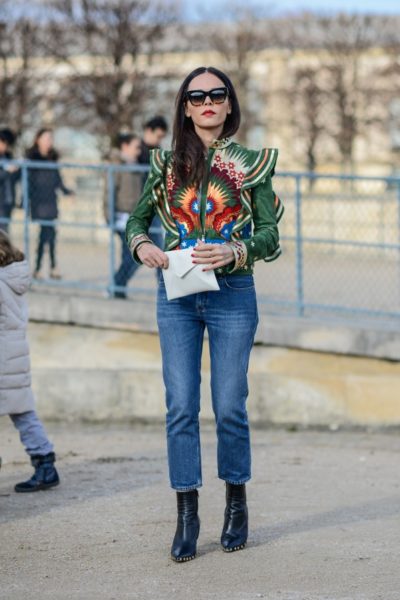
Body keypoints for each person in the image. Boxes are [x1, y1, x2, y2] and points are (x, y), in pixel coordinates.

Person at [126, 66, 284, 562]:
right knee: (180, 405)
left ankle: (236, 503)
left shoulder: (251, 163)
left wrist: (234, 252)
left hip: (233, 293)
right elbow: (136, 220)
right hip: (176, 295)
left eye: (217, 94)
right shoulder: (165, 162)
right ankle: (186, 512)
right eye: (197, 96)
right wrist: (142, 244)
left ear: (230, 105)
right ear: (186, 106)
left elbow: (271, 237)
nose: (208, 102)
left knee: (231, 403)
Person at [0, 230, 60, 492]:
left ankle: (45, 465)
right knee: (23, 412)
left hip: (3, 354)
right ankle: (45, 463)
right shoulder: (13, 277)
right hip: (14, 354)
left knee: (23, 413)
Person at [26, 129, 73, 280]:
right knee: (46, 234)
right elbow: (27, 181)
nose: (49, 141)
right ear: (37, 139)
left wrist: (67, 192)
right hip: (39, 201)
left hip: (51, 201)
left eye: (50, 138)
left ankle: (46, 267)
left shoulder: (53, 159)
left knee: (50, 234)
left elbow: (58, 180)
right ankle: (45, 267)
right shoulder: (32, 158)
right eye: (46, 138)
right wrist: (24, 201)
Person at [103, 133, 144, 298]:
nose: (139, 151)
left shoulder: (137, 166)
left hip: (135, 218)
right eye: (136, 147)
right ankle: (116, 286)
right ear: (125, 146)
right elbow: (109, 192)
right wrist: (109, 216)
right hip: (121, 217)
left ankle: (118, 288)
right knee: (132, 255)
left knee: (130, 256)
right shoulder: (117, 166)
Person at [0, 128, 20, 234]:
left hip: (8, 200)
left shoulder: (8, 157)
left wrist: (17, 170)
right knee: (3, 232)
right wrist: (7, 171)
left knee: (5, 230)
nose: (4, 146)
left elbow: (15, 180)